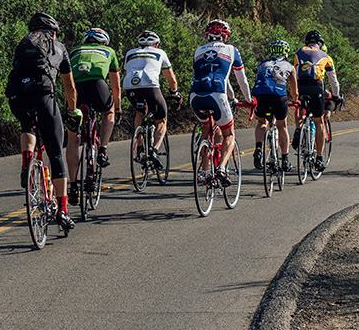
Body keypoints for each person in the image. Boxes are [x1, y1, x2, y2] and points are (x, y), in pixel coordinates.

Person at [4, 11, 80, 233]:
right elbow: (70, 87)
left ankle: (27, 162)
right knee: (56, 153)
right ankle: (63, 210)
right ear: (53, 32)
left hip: (18, 96)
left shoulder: (24, 44)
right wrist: (72, 111)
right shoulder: (59, 47)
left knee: (28, 126)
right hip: (44, 96)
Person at [189, 19, 252, 184]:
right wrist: (248, 99)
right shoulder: (231, 50)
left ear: (207, 36)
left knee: (206, 129)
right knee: (229, 134)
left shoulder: (198, 51)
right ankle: (221, 169)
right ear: (225, 36)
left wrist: (232, 96)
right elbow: (241, 80)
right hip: (217, 95)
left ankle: (203, 171)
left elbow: (219, 78)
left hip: (195, 95)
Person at [64, 27, 121, 210]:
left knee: (73, 138)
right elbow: (116, 86)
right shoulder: (109, 51)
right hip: (97, 86)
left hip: (76, 90)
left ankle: (73, 187)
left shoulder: (74, 51)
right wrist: (117, 108)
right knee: (108, 112)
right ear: (104, 42)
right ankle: (102, 150)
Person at [123, 30, 180, 171]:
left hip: (130, 86)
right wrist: (174, 93)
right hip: (150, 86)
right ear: (156, 44)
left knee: (140, 112)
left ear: (138, 44)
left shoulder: (130, 53)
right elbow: (171, 79)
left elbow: (126, 73)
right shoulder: (160, 52)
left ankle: (140, 145)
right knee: (162, 120)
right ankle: (154, 151)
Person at [294, 29, 341, 172]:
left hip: (300, 85)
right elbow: (333, 80)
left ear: (307, 42)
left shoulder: (298, 52)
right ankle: (319, 158)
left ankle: (298, 130)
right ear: (320, 44)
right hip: (316, 87)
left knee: (301, 109)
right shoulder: (325, 55)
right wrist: (336, 95)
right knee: (319, 121)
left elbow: (294, 72)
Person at [251, 39, 299, 171]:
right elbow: (294, 91)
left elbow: (258, 81)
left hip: (260, 96)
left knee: (261, 123)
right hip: (278, 97)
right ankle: (285, 159)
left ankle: (259, 149)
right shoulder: (289, 66)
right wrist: (295, 100)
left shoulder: (262, 64)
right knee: (282, 125)